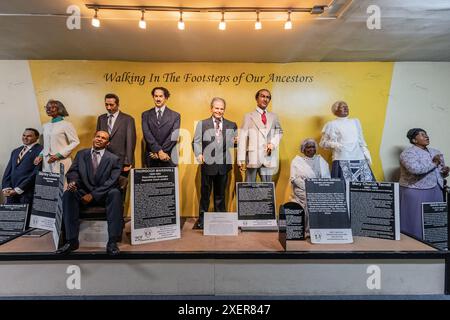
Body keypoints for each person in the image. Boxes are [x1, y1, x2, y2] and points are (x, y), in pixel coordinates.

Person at [56, 131, 123, 255]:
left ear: (107, 143)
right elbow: (73, 172)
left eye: (103, 138)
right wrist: (73, 182)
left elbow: (111, 182)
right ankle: (71, 241)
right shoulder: (81, 154)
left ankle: (112, 242)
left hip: (104, 194)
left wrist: (93, 195)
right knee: (68, 194)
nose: (99, 139)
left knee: (115, 193)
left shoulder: (114, 159)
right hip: (82, 192)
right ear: (94, 138)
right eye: (97, 136)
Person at [192, 97, 238, 229]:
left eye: (222, 108)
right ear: (211, 109)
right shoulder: (202, 124)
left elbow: (233, 144)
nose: (219, 111)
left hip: (223, 165)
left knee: (221, 194)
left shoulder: (231, 124)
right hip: (208, 164)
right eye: (216, 108)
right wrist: (199, 154)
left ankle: (220, 218)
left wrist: (237, 142)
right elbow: (195, 142)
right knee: (205, 194)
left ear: (224, 110)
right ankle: (202, 219)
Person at [399, 128, 449, 239]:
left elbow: (439, 171)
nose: (426, 136)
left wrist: (444, 172)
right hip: (416, 189)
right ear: (414, 140)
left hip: (437, 189)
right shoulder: (407, 153)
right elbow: (415, 170)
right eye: (422, 135)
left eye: (426, 134)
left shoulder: (436, 152)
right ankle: (414, 244)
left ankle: (435, 243)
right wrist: (434, 163)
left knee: (435, 220)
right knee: (416, 220)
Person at [319, 100, 374, 182]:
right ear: (336, 110)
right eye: (343, 107)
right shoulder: (331, 124)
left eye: (347, 107)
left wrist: (366, 151)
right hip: (342, 157)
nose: (346, 108)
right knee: (344, 186)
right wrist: (334, 144)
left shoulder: (355, 122)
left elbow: (360, 139)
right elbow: (323, 143)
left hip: (359, 156)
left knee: (365, 185)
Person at [237, 89, 283, 182]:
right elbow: (242, 138)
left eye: (268, 97)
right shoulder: (248, 116)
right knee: (249, 187)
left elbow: (279, 131)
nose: (265, 99)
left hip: (268, 156)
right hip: (252, 157)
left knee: (267, 188)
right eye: (262, 96)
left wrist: (273, 144)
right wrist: (241, 159)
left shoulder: (274, 117)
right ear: (257, 98)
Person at [290, 138, 331, 234]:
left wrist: (320, 187)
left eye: (313, 147)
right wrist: (310, 188)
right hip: (303, 189)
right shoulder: (297, 161)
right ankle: (309, 230)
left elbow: (327, 178)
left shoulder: (321, 160)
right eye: (308, 147)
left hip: (320, 189)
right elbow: (294, 179)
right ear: (303, 149)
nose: (311, 149)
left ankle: (324, 230)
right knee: (311, 200)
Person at [34, 100, 80, 175]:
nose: (48, 109)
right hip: (47, 161)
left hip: (61, 160)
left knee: (62, 184)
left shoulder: (67, 125)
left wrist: (59, 155)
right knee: (48, 184)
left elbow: (75, 142)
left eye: (52, 107)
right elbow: (46, 145)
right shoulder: (45, 126)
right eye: (47, 107)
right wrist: (40, 155)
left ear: (60, 109)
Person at [96, 93, 136, 177]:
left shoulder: (128, 119)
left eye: (111, 105)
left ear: (118, 104)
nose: (108, 107)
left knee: (121, 187)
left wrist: (128, 162)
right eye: (106, 104)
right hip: (104, 159)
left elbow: (130, 142)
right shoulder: (101, 118)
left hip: (121, 161)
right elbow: (97, 139)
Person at [2, 128, 43, 205]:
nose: (25, 137)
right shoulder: (16, 151)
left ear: (36, 137)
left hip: (26, 193)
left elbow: (36, 173)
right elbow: (8, 171)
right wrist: (6, 187)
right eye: (24, 135)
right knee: (10, 216)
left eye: (29, 136)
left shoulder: (41, 151)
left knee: (24, 216)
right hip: (11, 192)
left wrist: (18, 190)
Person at [142, 87, 180, 167]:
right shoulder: (145, 115)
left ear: (166, 98)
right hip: (151, 156)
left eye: (161, 96)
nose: (158, 99)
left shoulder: (175, 116)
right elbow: (147, 134)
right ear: (153, 97)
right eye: (156, 96)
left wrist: (160, 153)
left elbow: (173, 136)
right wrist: (159, 151)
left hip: (168, 157)